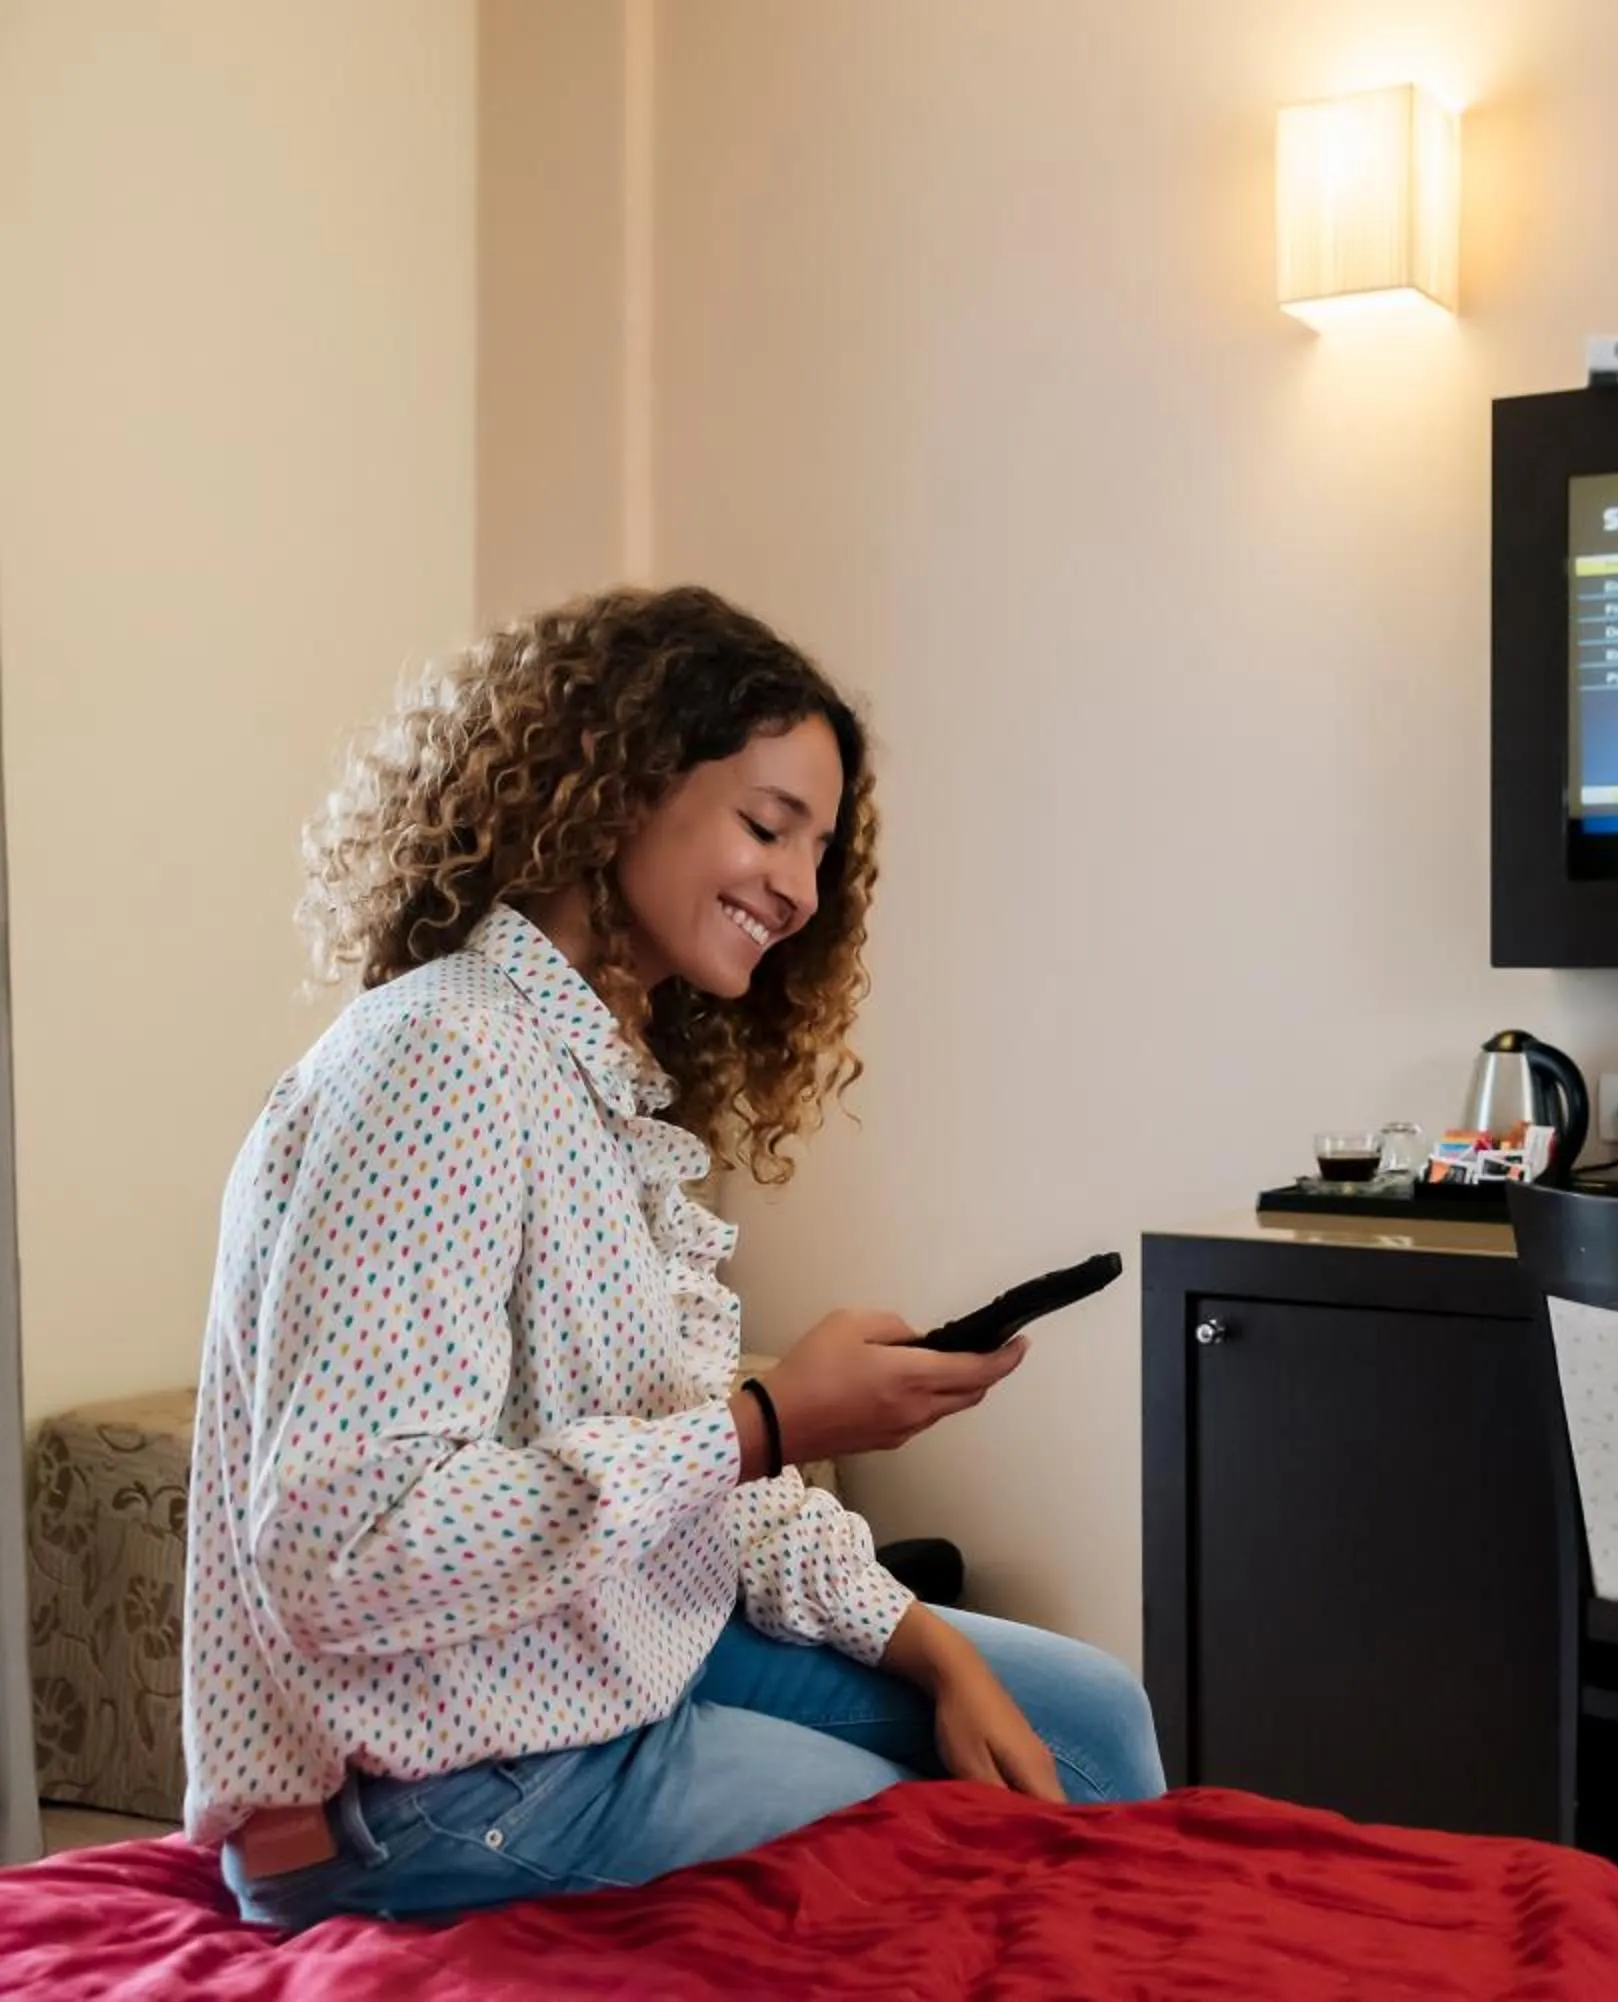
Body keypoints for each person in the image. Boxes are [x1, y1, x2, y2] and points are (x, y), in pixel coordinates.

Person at [182, 585, 1166, 1931]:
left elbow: (683, 1486)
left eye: (820, 851)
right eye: (768, 826)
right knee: (948, 1861)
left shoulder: (593, 1087)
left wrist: (930, 1645)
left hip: (593, 1668)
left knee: (1087, 1719)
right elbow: (343, 1551)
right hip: (429, 1781)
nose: (801, 890)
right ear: (618, 789)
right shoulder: (441, 1059)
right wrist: (767, 1421)